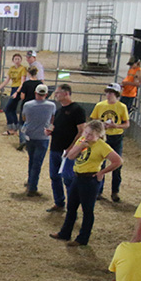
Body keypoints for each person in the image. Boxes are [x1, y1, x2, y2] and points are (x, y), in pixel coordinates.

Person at [50, 120, 122, 246]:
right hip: (77, 177)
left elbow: (117, 161)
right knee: (71, 207)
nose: (87, 136)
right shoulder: (82, 141)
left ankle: (82, 238)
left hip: (90, 179)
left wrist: (102, 172)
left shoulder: (102, 146)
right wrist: (80, 146)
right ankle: (65, 233)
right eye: (86, 133)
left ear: (99, 135)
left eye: (90, 135)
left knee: (87, 210)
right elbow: (71, 156)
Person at [47, 84, 87, 212]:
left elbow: (81, 131)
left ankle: (72, 206)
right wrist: (50, 131)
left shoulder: (77, 110)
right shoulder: (59, 111)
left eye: (58, 93)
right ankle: (59, 202)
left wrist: (72, 148)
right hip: (55, 148)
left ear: (66, 93)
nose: (56, 95)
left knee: (68, 179)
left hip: (69, 151)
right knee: (54, 176)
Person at [89, 83, 130, 202]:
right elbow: (93, 120)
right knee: (100, 164)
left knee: (117, 165)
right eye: (107, 92)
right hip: (103, 137)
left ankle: (115, 191)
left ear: (116, 94)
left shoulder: (122, 107)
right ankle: (98, 190)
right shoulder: (99, 105)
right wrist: (101, 127)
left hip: (116, 137)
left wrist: (115, 125)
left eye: (111, 92)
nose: (108, 95)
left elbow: (127, 124)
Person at [21, 84, 56, 197]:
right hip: (43, 136)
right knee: (37, 162)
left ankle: (31, 181)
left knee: (31, 160)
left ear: (35, 93)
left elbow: (24, 118)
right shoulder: (51, 105)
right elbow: (52, 119)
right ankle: (32, 186)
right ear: (46, 94)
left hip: (30, 135)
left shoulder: (27, 105)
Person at [12, 66, 43, 151]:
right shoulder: (40, 83)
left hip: (26, 105)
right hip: (37, 105)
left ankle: (22, 140)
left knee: (22, 123)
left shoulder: (26, 84)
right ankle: (32, 141)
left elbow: (22, 96)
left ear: (28, 73)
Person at [0, 54, 26, 136]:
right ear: (13, 60)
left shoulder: (23, 69)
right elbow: (7, 80)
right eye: (15, 59)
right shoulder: (11, 69)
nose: (17, 60)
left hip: (18, 89)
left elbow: (23, 82)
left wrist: (17, 92)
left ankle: (11, 128)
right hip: (13, 89)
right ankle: (16, 126)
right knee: (12, 109)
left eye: (19, 59)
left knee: (7, 109)